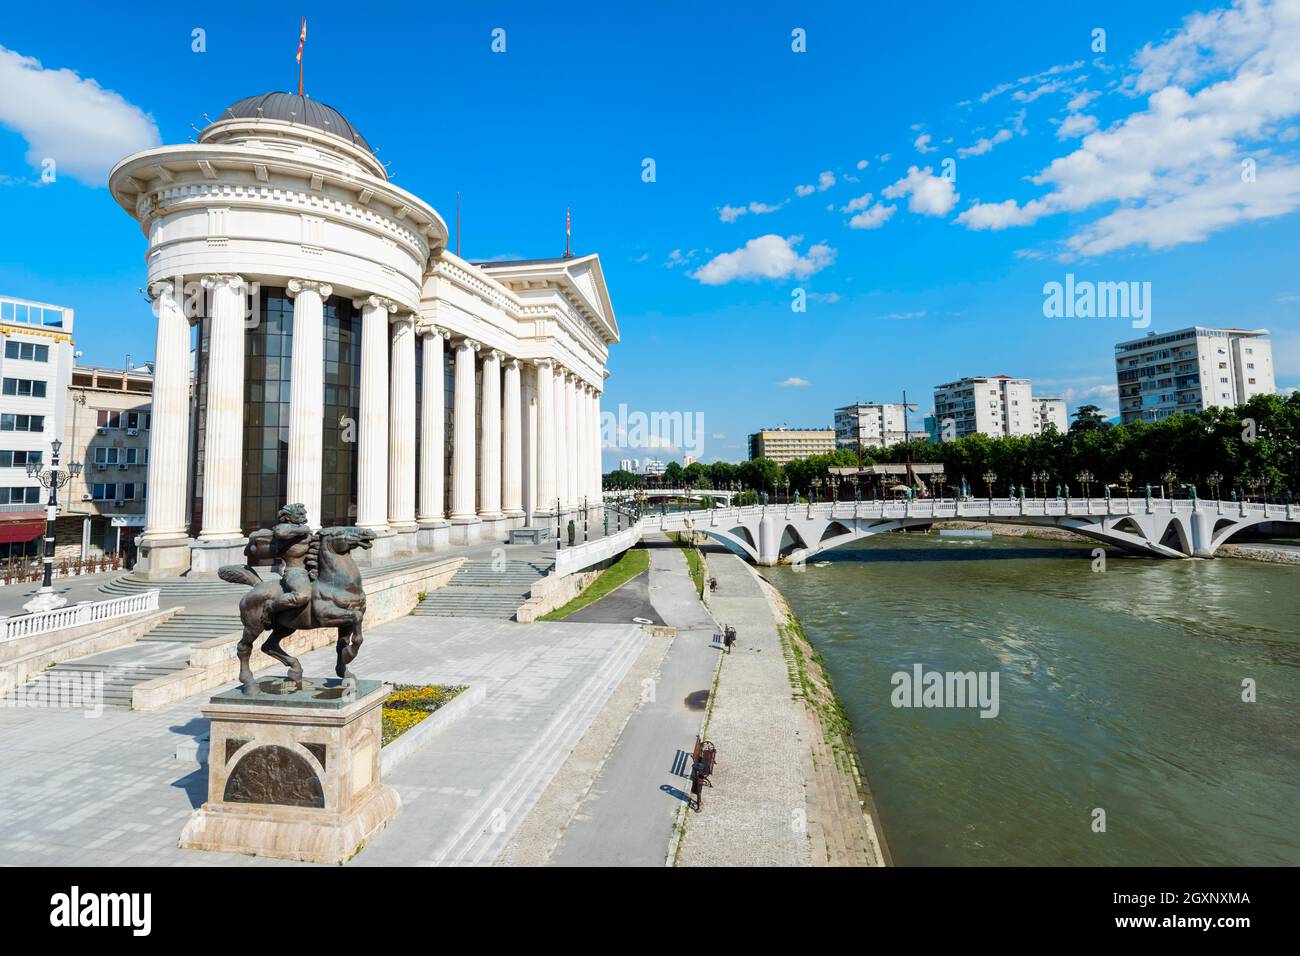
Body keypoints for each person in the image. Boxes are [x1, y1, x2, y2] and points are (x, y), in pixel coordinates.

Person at [265, 503, 315, 618]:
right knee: (302, 596)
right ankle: (271, 606)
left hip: (312, 568)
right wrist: (304, 529)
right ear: (288, 517)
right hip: (295, 571)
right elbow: (281, 533)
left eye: (304, 513)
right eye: (299, 514)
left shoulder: (303, 530)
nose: (303, 516)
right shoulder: (282, 527)